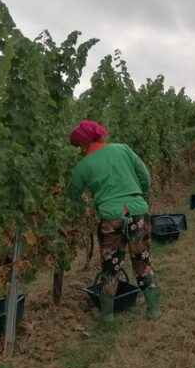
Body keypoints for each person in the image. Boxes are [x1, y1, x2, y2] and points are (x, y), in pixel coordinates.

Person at [68, 120, 160, 322]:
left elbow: (73, 195)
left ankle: (107, 315)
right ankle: (153, 310)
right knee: (142, 261)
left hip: (111, 218)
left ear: (83, 145)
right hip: (137, 212)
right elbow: (144, 176)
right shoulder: (123, 149)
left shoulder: (82, 166)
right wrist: (138, 196)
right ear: (100, 135)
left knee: (111, 267)